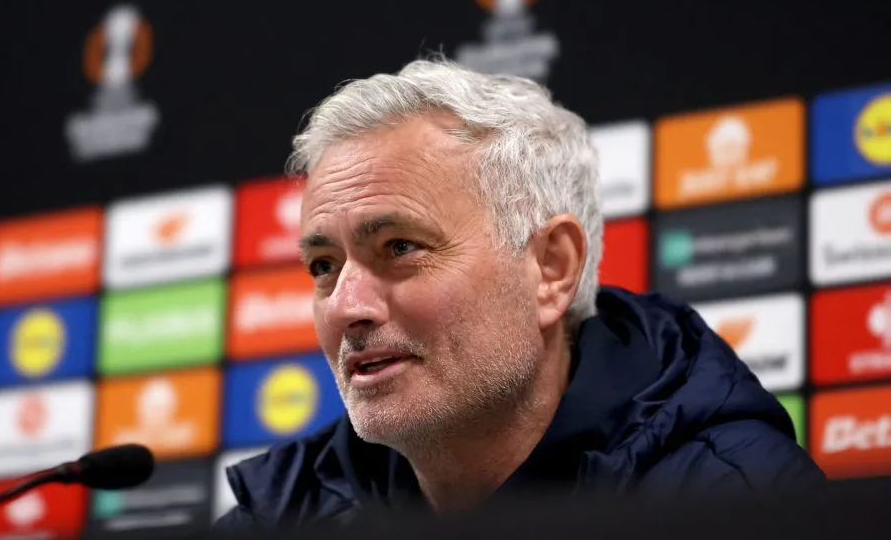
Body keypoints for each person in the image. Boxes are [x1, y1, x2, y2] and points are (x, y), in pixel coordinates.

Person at [215, 57, 825, 531]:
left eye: (400, 248)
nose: (347, 305)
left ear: (551, 268)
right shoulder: (283, 517)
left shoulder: (739, 504)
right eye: (323, 265)